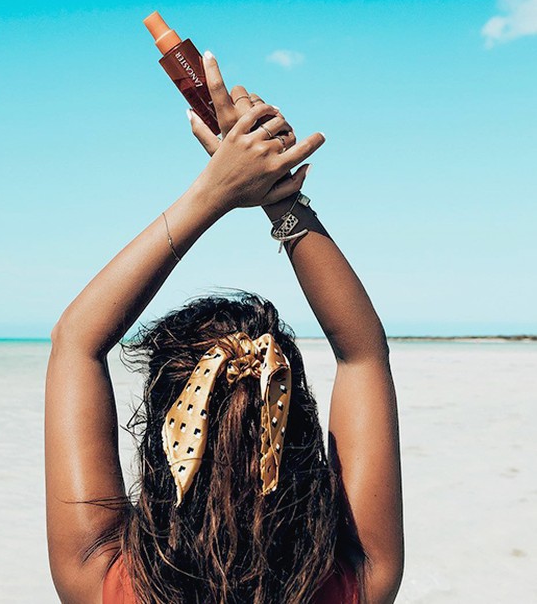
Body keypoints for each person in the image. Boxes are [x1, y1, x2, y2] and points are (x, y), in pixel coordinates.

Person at [45, 51, 403, 604]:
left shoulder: (101, 581)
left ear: (164, 438)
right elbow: (362, 353)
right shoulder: (357, 580)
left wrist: (214, 191)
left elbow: (76, 342)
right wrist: (282, 201)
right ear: (301, 431)